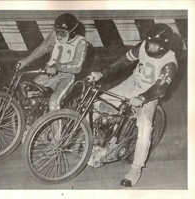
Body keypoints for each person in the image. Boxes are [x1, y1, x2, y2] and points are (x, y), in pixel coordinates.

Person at [87, 23, 178, 187]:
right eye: (149, 42)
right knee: (98, 103)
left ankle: (136, 168)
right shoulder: (144, 46)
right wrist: (102, 73)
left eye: (155, 45)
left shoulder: (169, 62)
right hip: (131, 83)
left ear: (164, 46)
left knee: (144, 126)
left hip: (149, 94)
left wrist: (143, 97)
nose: (150, 47)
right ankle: (99, 138)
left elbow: (160, 88)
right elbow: (123, 60)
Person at [17, 13, 87, 112]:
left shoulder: (81, 42)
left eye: (63, 33)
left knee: (53, 103)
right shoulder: (55, 34)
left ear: (72, 32)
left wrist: (57, 66)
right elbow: (44, 47)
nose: (58, 36)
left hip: (66, 77)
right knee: (28, 96)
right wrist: (25, 61)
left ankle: (58, 127)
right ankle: (31, 126)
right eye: (57, 31)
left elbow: (77, 67)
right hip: (48, 74)